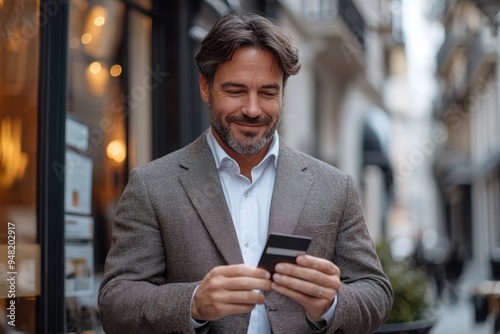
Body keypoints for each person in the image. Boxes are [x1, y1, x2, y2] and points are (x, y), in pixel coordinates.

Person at [98, 13, 393, 334]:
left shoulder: (335, 186)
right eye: (236, 91)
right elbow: (116, 302)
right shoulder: (152, 185)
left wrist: (332, 303)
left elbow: (376, 292)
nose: (253, 109)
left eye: (268, 93)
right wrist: (193, 302)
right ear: (205, 87)